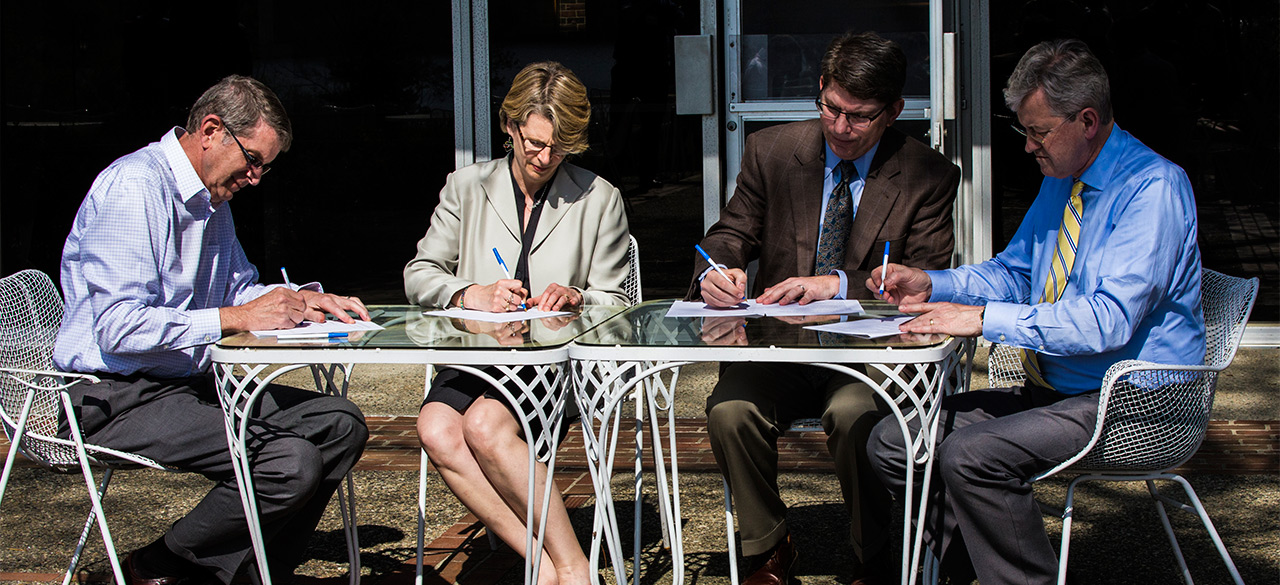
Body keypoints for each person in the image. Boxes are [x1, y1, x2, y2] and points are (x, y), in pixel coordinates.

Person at [866, 39, 1204, 585]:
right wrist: (933, 281)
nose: (1027, 147)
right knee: (894, 441)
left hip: (1134, 400)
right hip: (1061, 389)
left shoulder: (1152, 189)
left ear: (1088, 121)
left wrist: (980, 320)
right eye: (1024, 130)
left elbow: (1105, 321)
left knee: (972, 456)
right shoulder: (1062, 181)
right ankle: (953, 572)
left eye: (1038, 132)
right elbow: (1017, 273)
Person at [53, 75, 372, 583]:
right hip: (111, 395)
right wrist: (238, 318)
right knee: (287, 462)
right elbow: (119, 327)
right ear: (210, 129)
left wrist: (299, 301)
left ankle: (248, 571)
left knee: (339, 422)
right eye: (252, 160)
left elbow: (237, 289)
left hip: (180, 385)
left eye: (265, 166)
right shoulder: (134, 187)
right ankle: (152, 567)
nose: (256, 177)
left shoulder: (209, 201)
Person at [691, 31, 961, 585]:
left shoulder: (927, 176)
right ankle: (767, 549)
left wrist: (838, 284)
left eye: (858, 117)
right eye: (831, 108)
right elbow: (729, 233)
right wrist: (716, 272)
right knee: (729, 412)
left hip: (869, 361)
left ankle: (873, 554)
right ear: (820, 90)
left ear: (893, 112)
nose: (839, 127)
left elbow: (927, 278)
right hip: (776, 353)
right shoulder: (772, 152)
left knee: (854, 416)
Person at [403, 61, 630, 585]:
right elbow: (419, 274)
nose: (544, 158)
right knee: (434, 428)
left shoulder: (600, 199)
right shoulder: (466, 187)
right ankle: (541, 560)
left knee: (483, 425)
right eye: (533, 143)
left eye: (558, 147)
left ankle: (574, 569)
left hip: (556, 363)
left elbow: (617, 301)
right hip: (477, 355)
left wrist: (577, 296)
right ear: (509, 127)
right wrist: (468, 292)